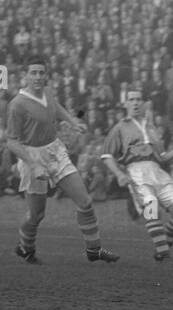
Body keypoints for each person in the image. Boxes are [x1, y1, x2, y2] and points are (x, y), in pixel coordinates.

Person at [7, 57, 119, 265]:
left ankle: (93, 250)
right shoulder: (17, 105)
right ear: (25, 76)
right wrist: (33, 164)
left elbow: (55, 107)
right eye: (34, 73)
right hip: (32, 156)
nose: (38, 77)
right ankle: (25, 247)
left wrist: (72, 121)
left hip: (55, 151)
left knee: (85, 201)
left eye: (42, 72)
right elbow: (12, 142)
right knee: (36, 215)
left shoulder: (47, 92)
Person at [99, 88, 173, 260]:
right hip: (136, 170)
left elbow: (160, 157)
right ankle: (163, 252)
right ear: (125, 104)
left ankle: (163, 248)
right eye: (131, 99)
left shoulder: (152, 126)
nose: (136, 102)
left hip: (157, 170)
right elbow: (106, 155)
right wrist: (119, 174)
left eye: (139, 99)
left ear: (143, 103)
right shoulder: (119, 128)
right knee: (152, 207)